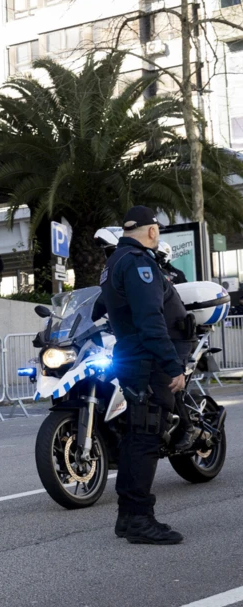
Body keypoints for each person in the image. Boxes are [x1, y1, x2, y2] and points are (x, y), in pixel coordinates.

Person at [99, 205, 186, 545]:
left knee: (138, 436)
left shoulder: (114, 262)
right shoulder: (138, 263)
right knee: (146, 437)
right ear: (152, 231)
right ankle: (138, 519)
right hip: (146, 360)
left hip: (133, 358)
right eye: (158, 232)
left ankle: (129, 517)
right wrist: (172, 366)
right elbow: (151, 321)